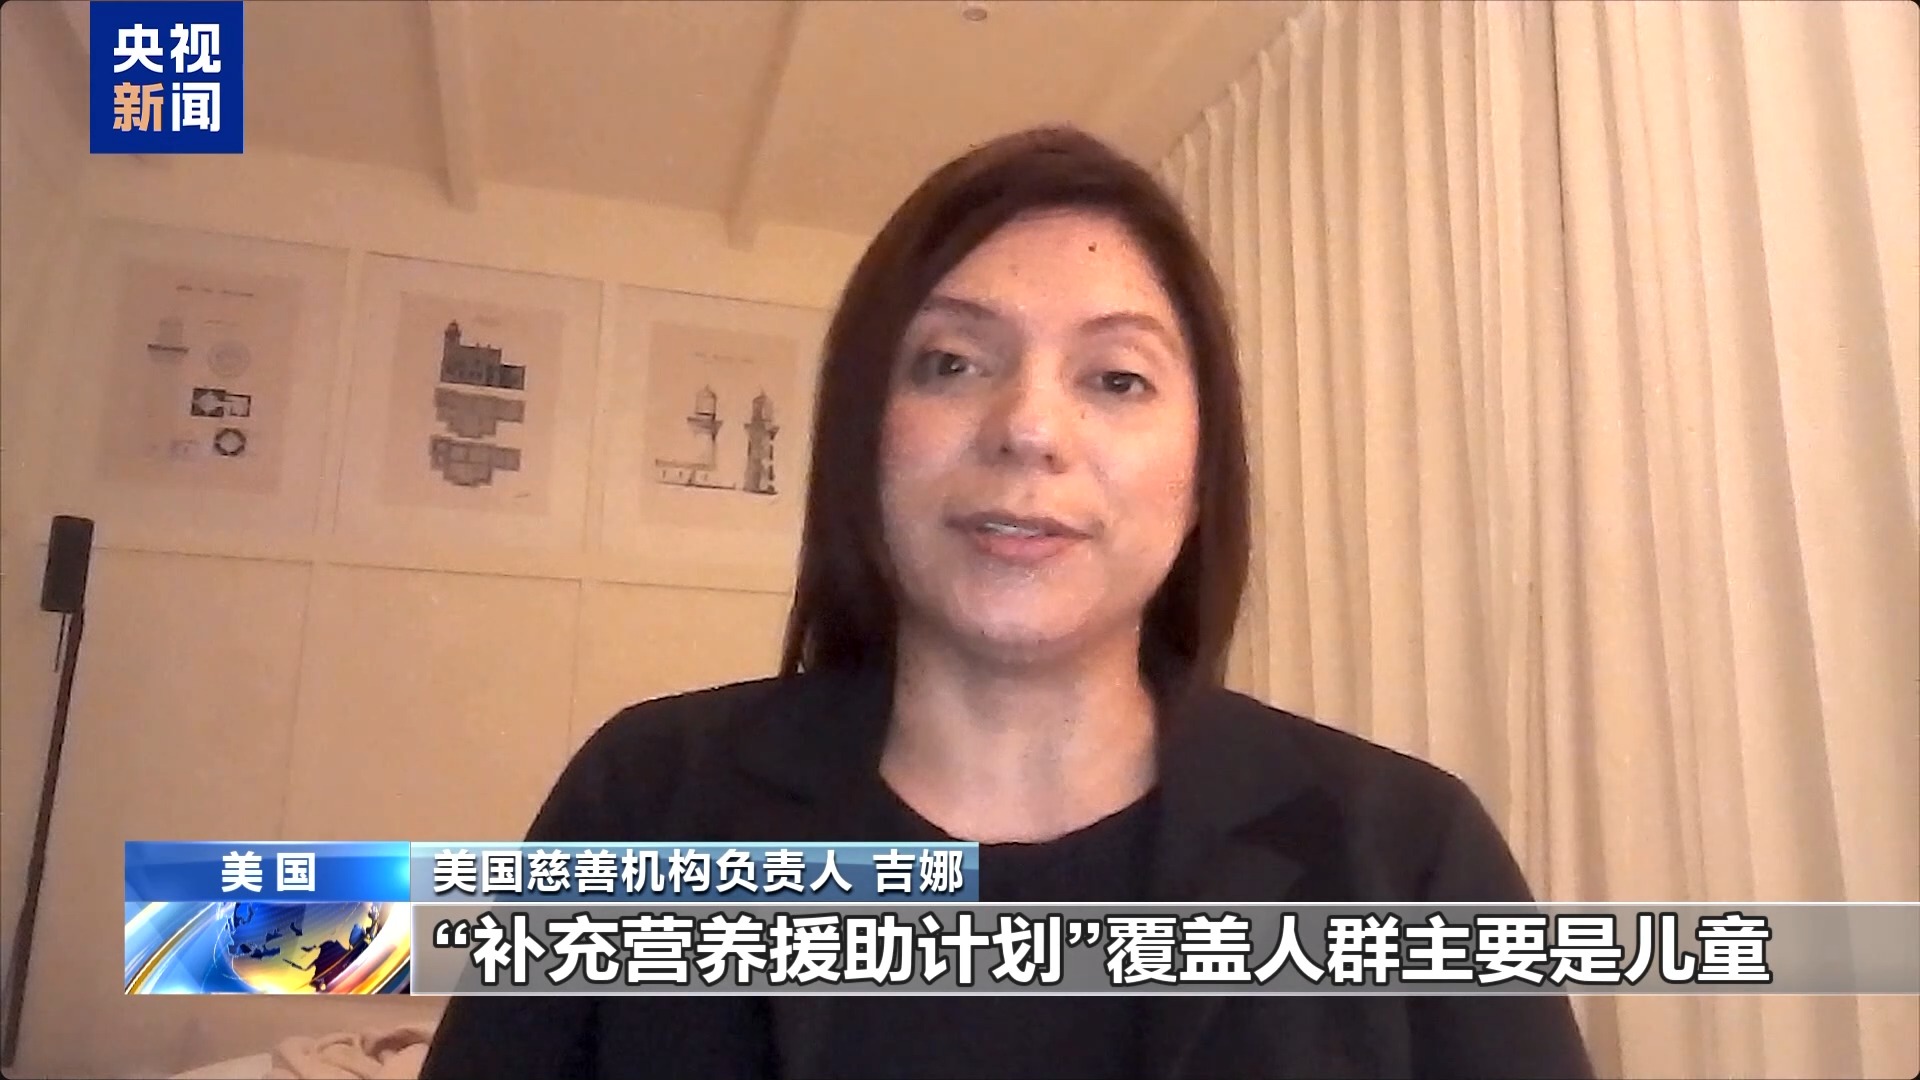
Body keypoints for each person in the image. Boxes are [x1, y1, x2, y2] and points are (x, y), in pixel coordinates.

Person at [420, 125, 1594, 1080]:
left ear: (1200, 477)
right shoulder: (647, 799)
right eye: (951, 363)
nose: (1029, 427)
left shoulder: (1407, 852)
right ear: (863, 442)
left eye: (1117, 378)